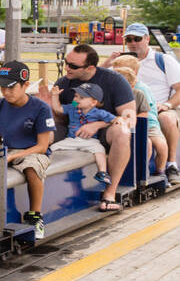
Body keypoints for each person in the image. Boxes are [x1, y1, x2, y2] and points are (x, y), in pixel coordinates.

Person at [38, 44, 136, 210]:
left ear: (90, 67)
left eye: (73, 66)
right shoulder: (64, 82)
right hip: (73, 131)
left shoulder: (114, 80)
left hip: (106, 132)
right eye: (66, 62)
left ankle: (109, 193)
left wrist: (97, 125)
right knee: (41, 129)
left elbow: (129, 117)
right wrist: (50, 108)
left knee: (122, 130)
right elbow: (62, 119)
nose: (67, 68)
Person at [0, 60, 55, 239]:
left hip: (33, 152)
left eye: (11, 87)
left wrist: (12, 157)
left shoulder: (41, 108)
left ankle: (35, 216)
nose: (6, 92)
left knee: (32, 169)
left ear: (25, 85)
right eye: (2, 88)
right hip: (7, 151)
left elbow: (42, 146)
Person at [108, 22, 180, 185]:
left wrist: (167, 105)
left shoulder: (163, 60)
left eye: (137, 38)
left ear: (147, 39)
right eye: (129, 39)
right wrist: (109, 62)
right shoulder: (121, 64)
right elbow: (99, 82)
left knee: (167, 119)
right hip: (128, 110)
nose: (133, 43)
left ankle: (171, 165)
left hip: (159, 108)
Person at [50, 85, 117, 200]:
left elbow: (113, 120)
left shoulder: (99, 113)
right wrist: (54, 96)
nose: (76, 99)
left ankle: (102, 172)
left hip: (89, 141)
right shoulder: (73, 107)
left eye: (81, 97)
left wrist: (118, 120)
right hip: (72, 139)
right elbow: (58, 109)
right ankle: (44, 163)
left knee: (99, 150)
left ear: (93, 102)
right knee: (53, 147)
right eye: (76, 96)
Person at [108, 56, 168, 176]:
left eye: (120, 70)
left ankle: (161, 169)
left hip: (148, 124)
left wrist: (133, 120)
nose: (116, 74)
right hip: (125, 126)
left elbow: (146, 112)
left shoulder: (140, 90)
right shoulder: (112, 90)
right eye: (114, 71)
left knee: (159, 144)